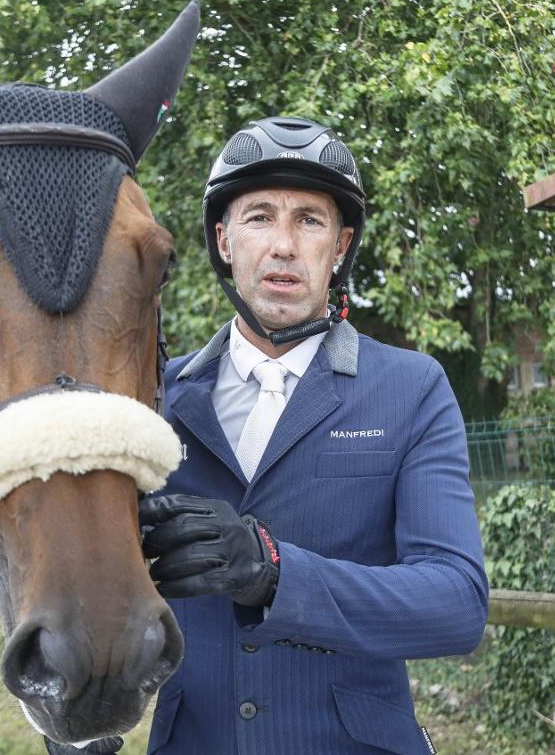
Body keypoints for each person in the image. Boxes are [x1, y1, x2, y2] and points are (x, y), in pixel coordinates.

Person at [140, 117, 488, 755]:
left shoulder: (413, 387)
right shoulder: (156, 397)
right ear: (223, 240)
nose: (283, 245)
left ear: (340, 245)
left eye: (309, 220)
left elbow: (457, 604)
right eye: (259, 217)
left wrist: (275, 574)